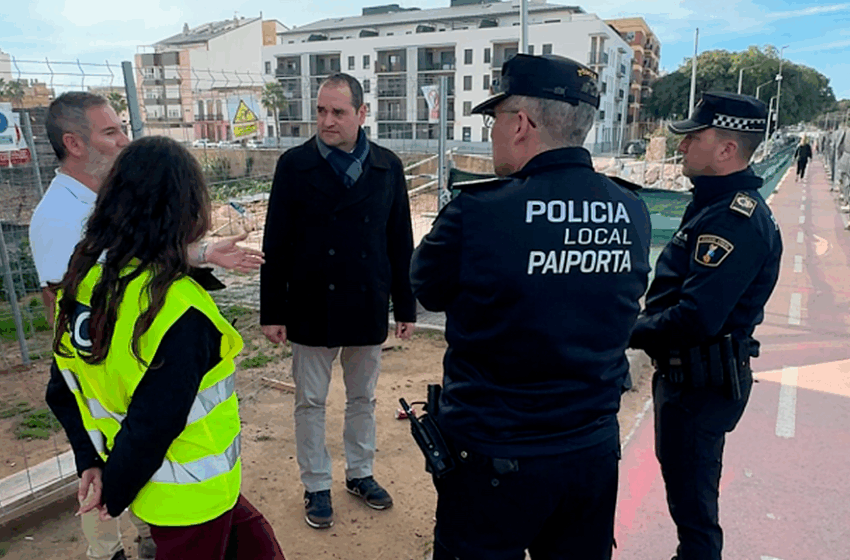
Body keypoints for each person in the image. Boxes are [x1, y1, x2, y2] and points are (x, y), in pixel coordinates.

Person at [410, 54, 652, 559]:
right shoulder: (630, 209)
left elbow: (426, 288)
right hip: (590, 450)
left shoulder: (478, 210)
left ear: (520, 123)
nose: (493, 131)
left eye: (494, 119)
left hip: (496, 454)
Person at [29, 91, 264, 560]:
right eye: (110, 130)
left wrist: (92, 463)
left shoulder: (83, 282)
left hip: (172, 482)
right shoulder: (180, 308)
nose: (120, 138)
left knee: (258, 544)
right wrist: (112, 492)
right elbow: (154, 421)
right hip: (186, 493)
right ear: (186, 210)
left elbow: (63, 387)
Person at [629, 92, 783, 560]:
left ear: (725, 150)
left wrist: (622, 329)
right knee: (689, 499)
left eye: (692, 138)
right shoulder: (715, 205)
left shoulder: (734, 220)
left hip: (698, 387)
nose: (681, 148)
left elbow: (696, 317)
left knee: (695, 513)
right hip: (688, 381)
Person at [260, 72, 417, 529]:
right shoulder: (294, 165)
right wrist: (273, 311)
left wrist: (404, 305)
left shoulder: (387, 166)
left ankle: (360, 473)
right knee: (310, 401)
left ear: (362, 113)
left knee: (363, 398)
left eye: (338, 112)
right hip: (310, 303)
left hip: (367, 300)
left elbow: (399, 241)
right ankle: (316, 484)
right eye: (322, 111)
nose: (327, 121)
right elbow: (277, 241)